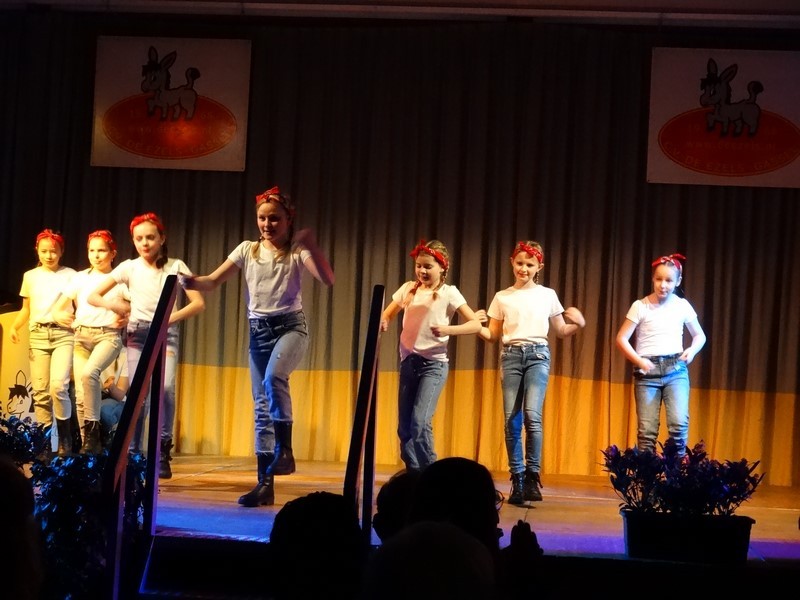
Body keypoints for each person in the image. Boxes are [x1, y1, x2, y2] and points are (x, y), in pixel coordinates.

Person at [183, 186, 334, 506]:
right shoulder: (247, 250)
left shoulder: (296, 251)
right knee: (261, 407)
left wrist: (312, 246)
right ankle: (265, 484)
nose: (267, 224)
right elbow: (212, 281)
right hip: (258, 332)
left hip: (290, 328)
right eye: (262, 218)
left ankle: (286, 451)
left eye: (275, 218)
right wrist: (190, 281)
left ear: (288, 219)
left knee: (274, 377)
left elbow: (327, 278)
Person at [88, 213, 205, 478]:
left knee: (165, 389)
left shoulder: (176, 265)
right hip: (138, 335)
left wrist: (167, 320)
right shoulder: (129, 267)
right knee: (138, 395)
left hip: (166, 334)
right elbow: (93, 296)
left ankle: (162, 450)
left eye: (150, 237)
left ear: (162, 238)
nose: (145, 243)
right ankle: (133, 454)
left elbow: (198, 303)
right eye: (139, 238)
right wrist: (115, 305)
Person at [477, 241, 585, 504]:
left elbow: (561, 330)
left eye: (529, 264)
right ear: (512, 263)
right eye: (519, 263)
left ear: (539, 267)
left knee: (532, 416)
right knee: (511, 420)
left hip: (538, 355)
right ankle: (518, 479)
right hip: (511, 356)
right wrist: (477, 326)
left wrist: (578, 324)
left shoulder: (547, 294)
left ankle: (533, 478)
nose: (523, 268)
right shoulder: (502, 297)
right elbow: (492, 335)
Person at [380, 239, 481, 472]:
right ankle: (415, 474)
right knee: (404, 427)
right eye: (419, 266)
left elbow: (475, 324)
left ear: (442, 268)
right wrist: (384, 321)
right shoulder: (408, 289)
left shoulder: (449, 293)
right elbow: (387, 314)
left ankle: (433, 475)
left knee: (419, 422)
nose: (422, 271)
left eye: (428, 266)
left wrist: (448, 329)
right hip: (409, 363)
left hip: (433, 366)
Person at [615, 252, 706, 456]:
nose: (663, 285)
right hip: (647, 374)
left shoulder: (682, 305)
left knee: (678, 425)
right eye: (658, 279)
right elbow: (621, 338)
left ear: (678, 281)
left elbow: (700, 335)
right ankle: (648, 475)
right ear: (653, 279)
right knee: (647, 432)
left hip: (675, 370)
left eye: (668, 280)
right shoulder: (640, 306)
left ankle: (676, 474)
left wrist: (692, 350)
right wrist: (639, 361)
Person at [53, 230, 128, 454]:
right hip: (81, 336)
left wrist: (126, 316)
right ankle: (89, 445)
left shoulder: (118, 280)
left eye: (102, 250)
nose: (96, 255)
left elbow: (134, 308)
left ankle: (93, 436)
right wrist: (62, 317)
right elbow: (58, 309)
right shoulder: (80, 277)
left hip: (108, 336)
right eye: (92, 250)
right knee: (80, 394)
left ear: (113, 253)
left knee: (89, 374)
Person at [8, 229, 77, 457]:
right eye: (44, 251)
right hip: (38, 335)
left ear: (61, 251)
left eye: (54, 251)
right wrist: (15, 326)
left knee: (58, 386)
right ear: (37, 250)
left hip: (63, 334)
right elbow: (26, 308)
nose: (49, 255)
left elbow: (79, 306)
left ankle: (65, 439)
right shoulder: (30, 276)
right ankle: (45, 442)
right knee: (40, 391)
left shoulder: (71, 275)